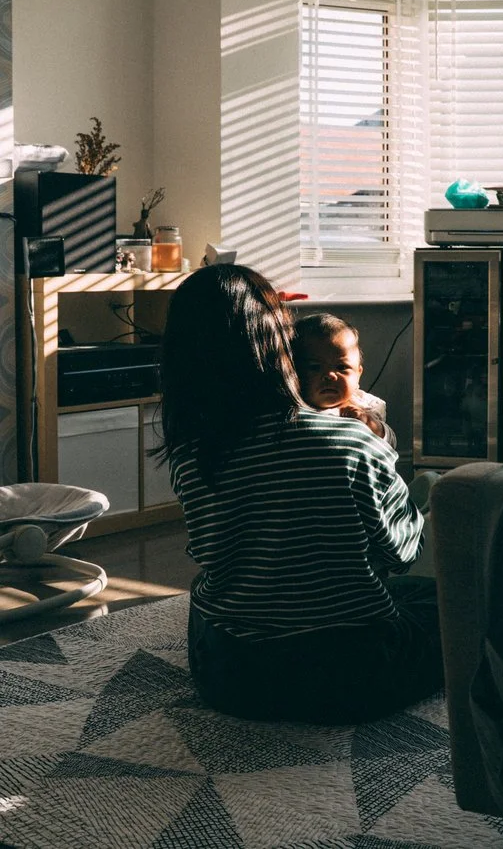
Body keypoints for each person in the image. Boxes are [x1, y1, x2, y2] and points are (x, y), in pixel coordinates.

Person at [155, 263, 443, 724]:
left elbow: (209, 553)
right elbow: (402, 551)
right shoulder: (350, 440)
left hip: (229, 677)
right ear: (277, 344)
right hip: (351, 677)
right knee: (440, 602)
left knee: (207, 598)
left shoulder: (191, 453)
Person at [292, 313, 397, 448]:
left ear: (358, 374)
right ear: (293, 373)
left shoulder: (365, 405)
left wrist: (375, 427)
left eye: (342, 367)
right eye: (315, 367)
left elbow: (390, 445)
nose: (330, 375)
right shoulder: (295, 410)